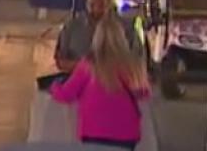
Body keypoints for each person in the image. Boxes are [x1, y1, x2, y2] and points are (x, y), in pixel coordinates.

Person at [50, 14, 151, 149]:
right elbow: (144, 93)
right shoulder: (132, 64)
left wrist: (54, 86)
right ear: (122, 38)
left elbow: (66, 95)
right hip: (126, 133)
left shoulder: (88, 65)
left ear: (97, 38)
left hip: (93, 132)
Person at [54, 0, 142, 72]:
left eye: (101, 6)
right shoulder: (72, 26)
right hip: (78, 82)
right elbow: (60, 61)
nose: (96, 10)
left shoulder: (126, 28)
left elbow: (137, 63)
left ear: (110, 4)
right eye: (91, 5)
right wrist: (87, 67)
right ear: (86, 3)